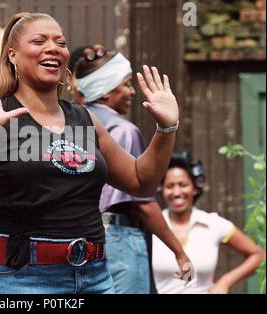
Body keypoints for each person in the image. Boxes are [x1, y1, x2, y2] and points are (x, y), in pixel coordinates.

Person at [0, 12, 183, 294]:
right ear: (13, 55)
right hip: (19, 280)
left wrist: (166, 128)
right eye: (39, 41)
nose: (53, 48)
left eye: (60, 42)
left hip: (94, 277)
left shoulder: (84, 119)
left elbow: (140, 180)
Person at [73, 45, 191, 293]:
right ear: (105, 91)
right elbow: (142, 201)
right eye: (126, 84)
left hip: (77, 240)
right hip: (118, 237)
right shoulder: (123, 130)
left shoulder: (72, 123)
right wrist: (179, 252)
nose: (131, 91)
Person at [153, 151, 265, 293]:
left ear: (194, 188)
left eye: (183, 184)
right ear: (161, 189)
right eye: (169, 186)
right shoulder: (153, 226)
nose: (176, 192)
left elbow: (259, 255)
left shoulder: (213, 224)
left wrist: (225, 281)